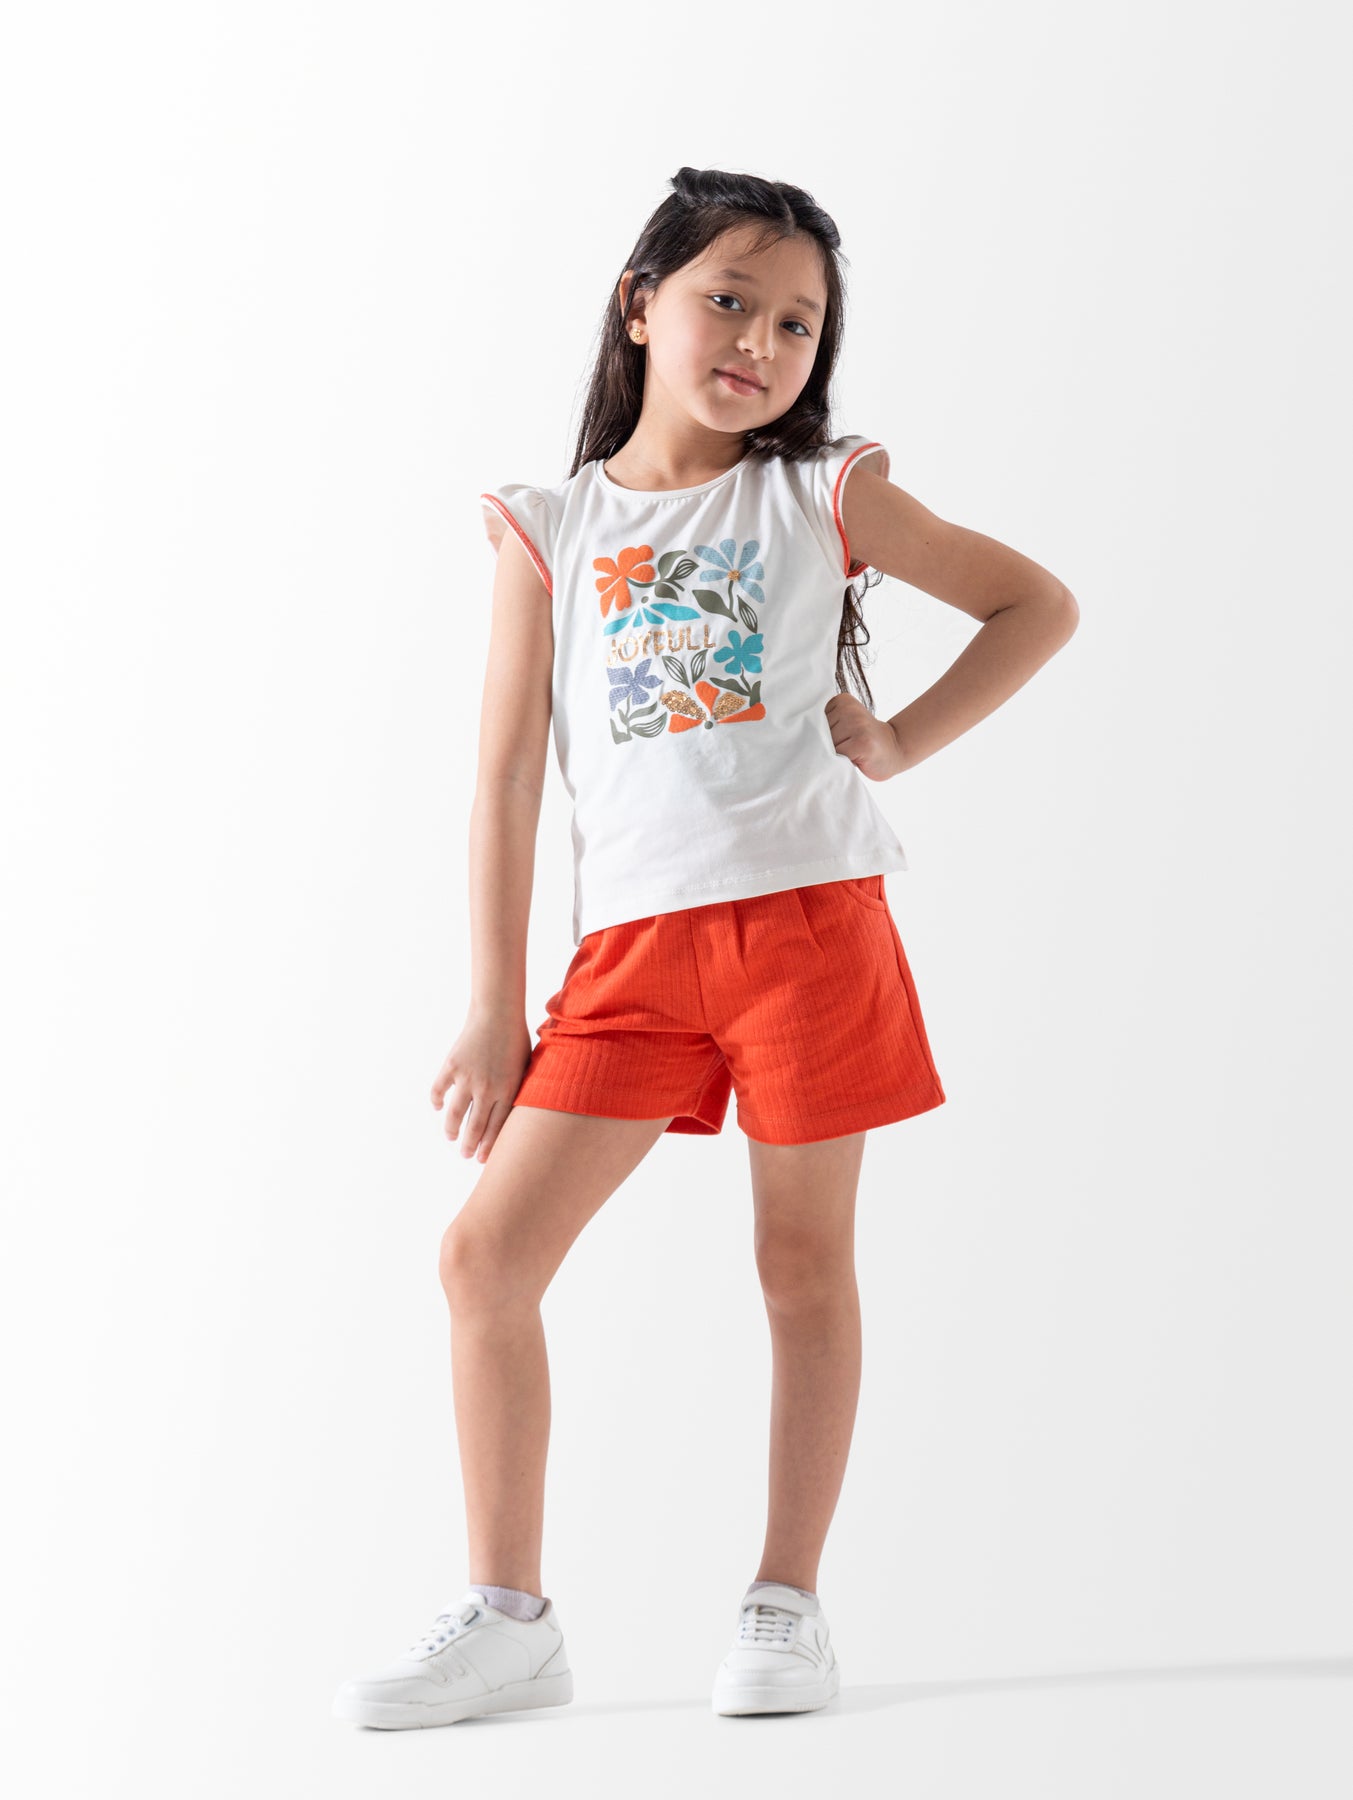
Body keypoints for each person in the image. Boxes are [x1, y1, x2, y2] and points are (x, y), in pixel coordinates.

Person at [333, 165, 1078, 1731]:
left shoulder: (819, 492)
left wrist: (898, 740)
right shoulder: (551, 525)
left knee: (798, 1265)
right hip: (629, 961)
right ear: (639, 305)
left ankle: (784, 1600)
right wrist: (491, 1004)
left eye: (796, 323)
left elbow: (1031, 603)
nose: (758, 341)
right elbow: (504, 782)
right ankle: (509, 1620)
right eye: (727, 300)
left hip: (812, 928)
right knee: (483, 1261)